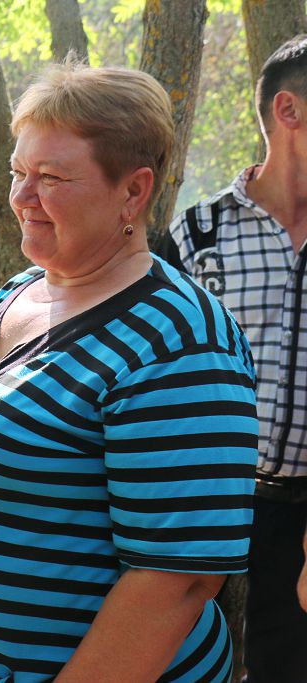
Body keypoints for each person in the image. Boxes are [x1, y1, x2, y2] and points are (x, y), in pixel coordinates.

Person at [0, 62, 258, 682]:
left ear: (133, 192)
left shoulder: (179, 341)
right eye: (17, 172)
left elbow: (176, 580)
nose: (20, 197)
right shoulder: (18, 292)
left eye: (50, 178)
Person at [159, 34, 307, 683]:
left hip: (302, 519)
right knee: (190, 664)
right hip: (205, 504)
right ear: (288, 110)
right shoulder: (197, 235)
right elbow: (153, 379)